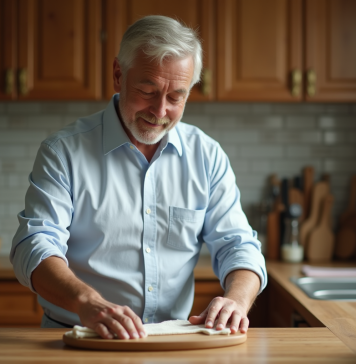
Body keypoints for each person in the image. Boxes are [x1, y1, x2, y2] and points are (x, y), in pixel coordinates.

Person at [10, 15, 267, 340]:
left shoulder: (206, 155)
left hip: (174, 341)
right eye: (147, 91)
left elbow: (238, 245)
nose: (160, 111)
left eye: (176, 97)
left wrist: (236, 301)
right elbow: (34, 244)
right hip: (81, 338)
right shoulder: (63, 152)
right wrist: (88, 302)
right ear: (118, 74)